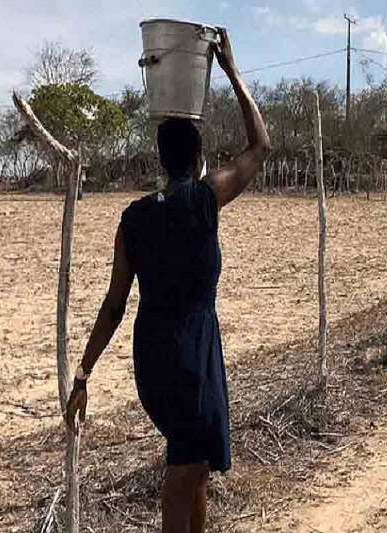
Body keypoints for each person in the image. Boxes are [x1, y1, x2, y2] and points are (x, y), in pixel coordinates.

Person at [64, 28, 270, 533]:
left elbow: (114, 306)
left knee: (195, 469)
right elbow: (260, 145)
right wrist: (231, 70)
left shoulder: (134, 219)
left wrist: (84, 374)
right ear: (198, 162)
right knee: (182, 475)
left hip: (153, 362)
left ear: (160, 162)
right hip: (192, 360)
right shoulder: (204, 199)